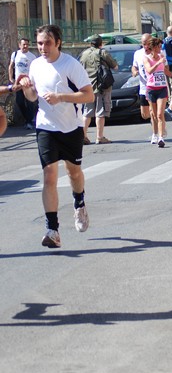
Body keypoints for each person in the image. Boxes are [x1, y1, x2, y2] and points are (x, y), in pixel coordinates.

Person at [17, 24, 94, 249]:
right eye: (39, 43)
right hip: (45, 127)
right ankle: (52, 230)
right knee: (49, 175)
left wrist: (61, 97)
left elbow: (88, 95)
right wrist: (26, 87)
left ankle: (79, 203)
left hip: (71, 128)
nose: (43, 47)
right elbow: (33, 97)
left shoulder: (70, 64)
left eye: (47, 43)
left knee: (74, 172)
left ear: (57, 43)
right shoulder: (35, 65)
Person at [79, 34, 118, 145]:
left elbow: (80, 69)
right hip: (101, 86)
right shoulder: (103, 53)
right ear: (100, 43)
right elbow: (115, 66)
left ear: (91, 43)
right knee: (100, 112)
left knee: (87, 113)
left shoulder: (84, 54)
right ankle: (99, 137)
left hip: (87, 86)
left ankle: (83, 136)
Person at [143, 37, 172, 148]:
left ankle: (161, 137)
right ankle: (155, 133)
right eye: (159, 47)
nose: (161, 49)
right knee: (154, 114)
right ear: (153, 47)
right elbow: (149, 70)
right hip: (151, 88)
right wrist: (158, 63)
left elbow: (165, 71)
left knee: (160, 114)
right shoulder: (146, 58)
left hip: (162, 88)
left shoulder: (162, 57)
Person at [8, 37, 37, 129]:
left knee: (30, 103)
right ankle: (28, 118)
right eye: (23, 44)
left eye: (27, 44)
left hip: (28, 83)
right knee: (19, 102)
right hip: (18, 83)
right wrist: (10, 78)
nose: (25, 46)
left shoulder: (32, 56)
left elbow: (35, 70)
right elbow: (11, 66)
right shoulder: (15, 54)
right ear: (19, 45)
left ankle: (29, 122)